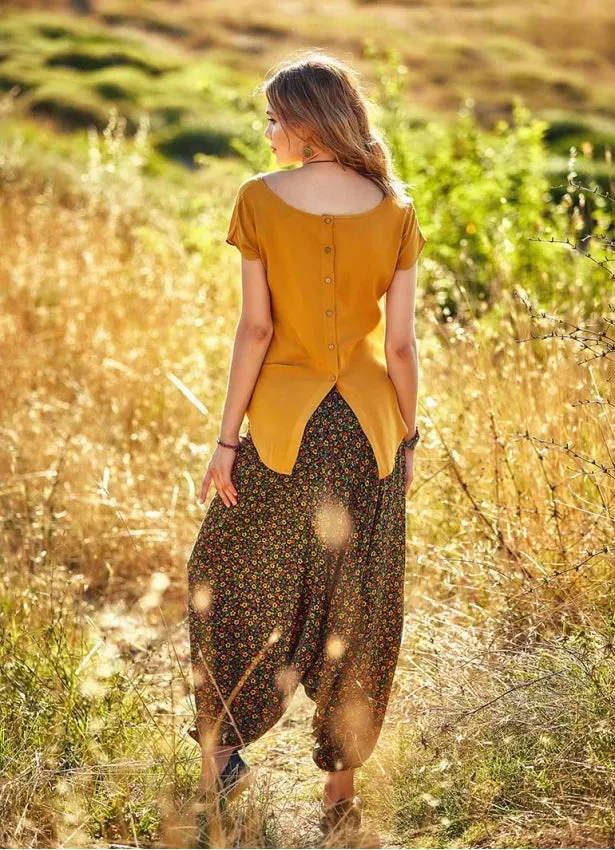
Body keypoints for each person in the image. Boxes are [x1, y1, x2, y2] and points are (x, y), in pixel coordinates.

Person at [186, 49, 426, 838]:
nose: (266, 132)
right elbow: (399, 349)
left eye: (272, 118)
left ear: (302, 121)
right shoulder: (393, 207)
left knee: (225, 572)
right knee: (360, 601)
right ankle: (340, 794)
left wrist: (225, 442)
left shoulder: (258, 199)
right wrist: (410, 438)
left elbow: (256, 328)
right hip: (370, 432)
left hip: (282, 429)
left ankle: (220, 757)